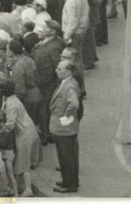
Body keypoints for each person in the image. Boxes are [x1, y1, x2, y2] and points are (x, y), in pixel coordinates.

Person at [0, 79, 41, 196]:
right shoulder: (14, 99)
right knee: (21, 162)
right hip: (28, 131)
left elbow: (10, 125)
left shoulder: (11, 104)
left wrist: (0, 130)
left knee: (23, 163)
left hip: (24, 135)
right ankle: (20, 186)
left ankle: (28, 189)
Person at [50, 60, 81, 193]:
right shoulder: (67, 83)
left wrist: (65, 118)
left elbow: (74, 104)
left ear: (68, 71)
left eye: (59, 69)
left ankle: (70, 185)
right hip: (65, 128)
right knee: (66, 156)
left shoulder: (70, 86)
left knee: (66, 157)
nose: (56, 71)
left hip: (64, 129)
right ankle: (68, 180)